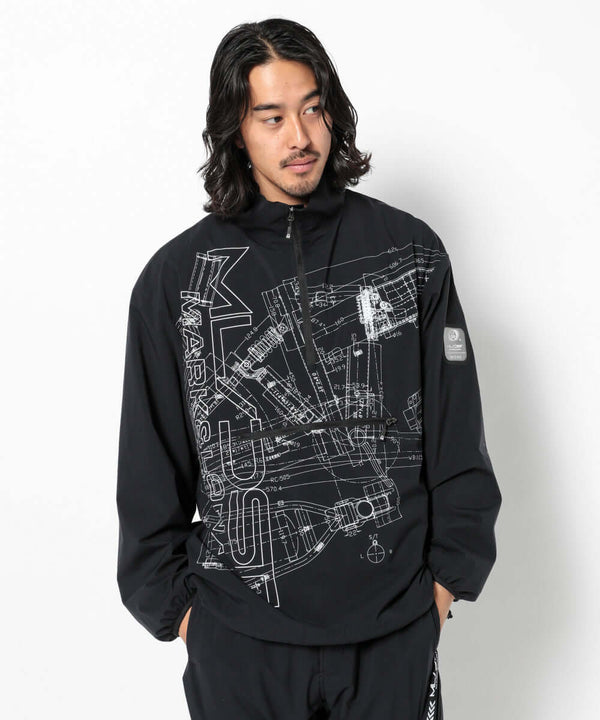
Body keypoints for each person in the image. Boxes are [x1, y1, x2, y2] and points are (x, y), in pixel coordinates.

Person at [116, 17, 502, 720]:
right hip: (239, 643)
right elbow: (149, 470)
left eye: (314, 108)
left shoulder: (412, 253)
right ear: (236, 130)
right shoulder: (175, 280)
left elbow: (457, 436)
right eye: (272, 117)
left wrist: (444, 588)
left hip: (392, 634)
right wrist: (184, 616)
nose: (300, 136)